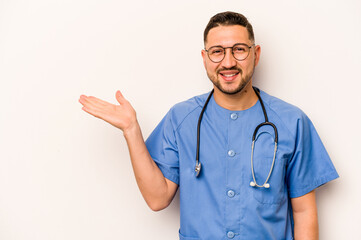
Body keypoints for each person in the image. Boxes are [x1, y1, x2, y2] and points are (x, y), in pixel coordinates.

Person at [79, 11, 338, 240]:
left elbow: (304, 212)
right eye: (217, 51)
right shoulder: (181, 119)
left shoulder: (292, 122)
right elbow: (158, 199)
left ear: (255, 54)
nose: (228, 62)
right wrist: (131, 130)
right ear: (205, 58)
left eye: (239, 49)